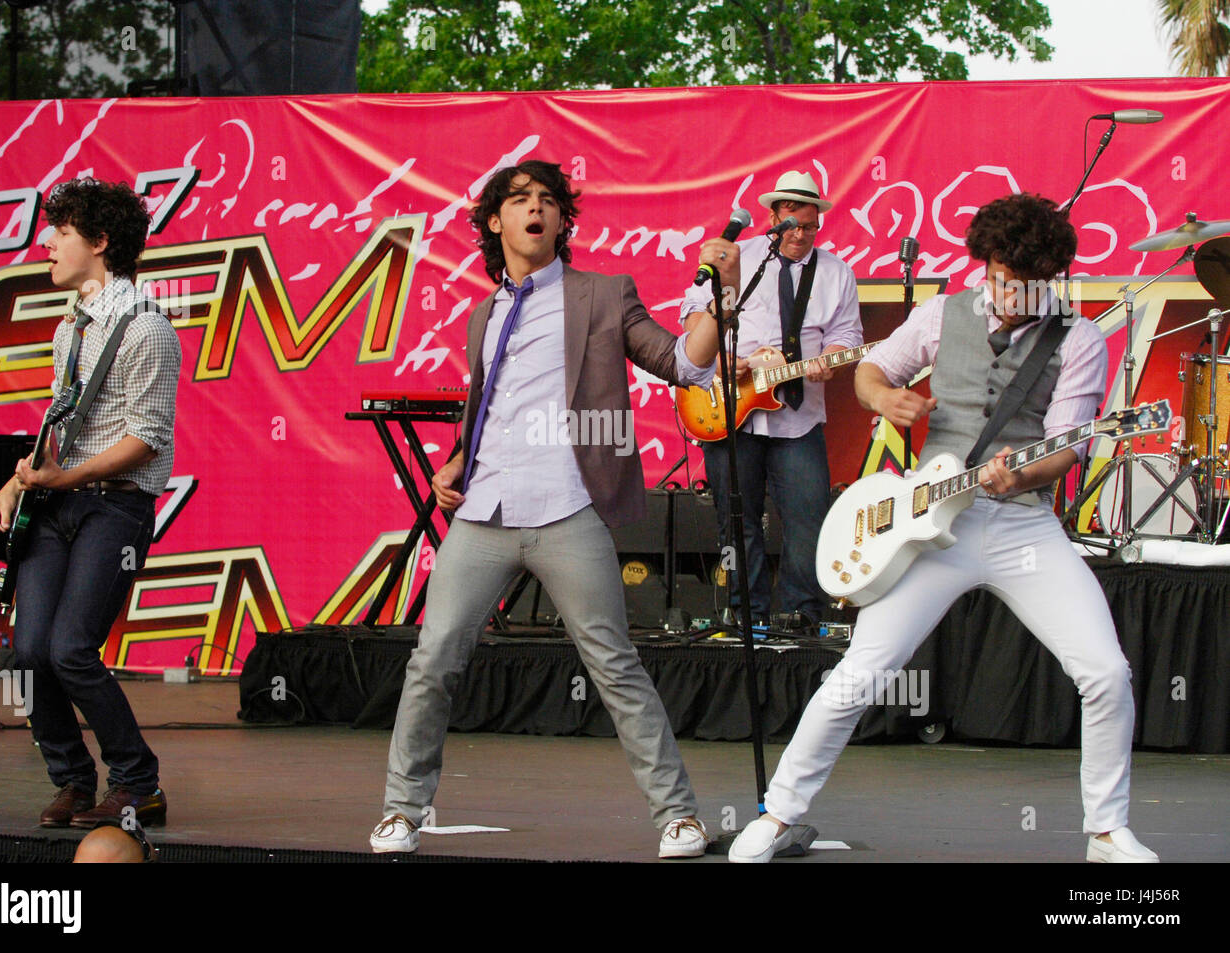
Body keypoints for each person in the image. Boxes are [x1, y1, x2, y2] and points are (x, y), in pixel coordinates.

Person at [729, 192, 1157, 863]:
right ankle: (779, 812)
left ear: (1055, 277)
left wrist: (1023, 473)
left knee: (1105, 672)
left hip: (1021, 527)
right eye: (1000, 280)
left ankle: (1107, 830)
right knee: (860, 672)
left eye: (1028, 286)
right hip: (929, 520)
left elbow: (1067, 446)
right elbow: (873, 369)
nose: (1011, 296)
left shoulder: (1079, 339)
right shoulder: (941, 312)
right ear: (984, 265)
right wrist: (881, 397)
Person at [371, 160, 733, 858]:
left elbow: (685, 364)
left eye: (549, 201)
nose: (536, 209)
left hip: (568, 508)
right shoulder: (484, 313)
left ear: (565, 221)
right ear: (494, 221)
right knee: (434, 657)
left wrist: (719, 296)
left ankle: (678, 814)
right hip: (485, 511)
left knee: (613, 662)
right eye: (519, 200)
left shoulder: (601, 294)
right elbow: (489, 407)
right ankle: (401, 809)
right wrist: (455, 459)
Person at [0, 178, 180, 830]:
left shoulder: (147, 327)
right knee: (31, 651)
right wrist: (17, 485)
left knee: (71, 647)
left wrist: (66, 479)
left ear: (99, 242)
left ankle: (138, 781)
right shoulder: (73, 327)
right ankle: (72, 777)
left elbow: (146, 441)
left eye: (62, 231)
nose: (48, 243)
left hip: (113, 509)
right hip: (58, 504)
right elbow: (60, 422)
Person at [681, 171, 863, 628]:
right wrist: (724, 364)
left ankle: (804, 613)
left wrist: (831, 359)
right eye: (791, 226)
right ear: (772, 219)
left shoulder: (836, 273)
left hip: (797, 416)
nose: (800, 235)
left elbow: (846, 337)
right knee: (735, 521)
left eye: (809, 226)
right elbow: (691, 316)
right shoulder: (738, 259)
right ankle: (749, 618)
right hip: (729, 409)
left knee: (808, 518)